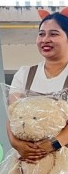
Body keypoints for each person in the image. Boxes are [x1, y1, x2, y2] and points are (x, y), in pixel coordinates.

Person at [9, 12, 68, 163]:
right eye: (41, 34)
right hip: (29, 160)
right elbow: (12, 116)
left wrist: (53, 144)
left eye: (53, 34)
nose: (45, 40)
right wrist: (17, 145)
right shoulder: (25, 74)